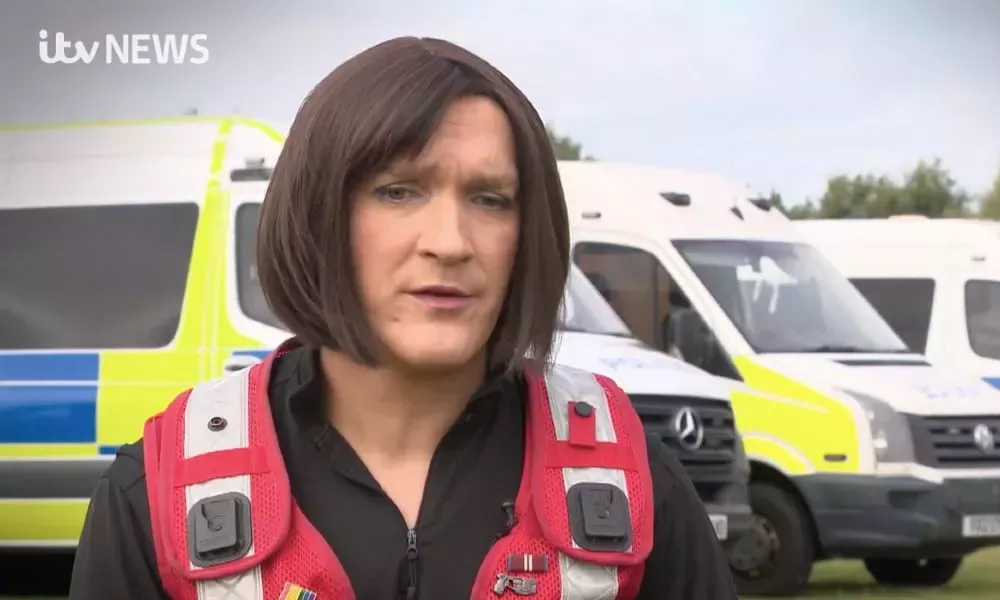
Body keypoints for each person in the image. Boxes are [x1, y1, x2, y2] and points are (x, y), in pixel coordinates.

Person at [68, 36, 738, 600]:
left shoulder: (632, 483)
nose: (450, 242)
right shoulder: (155, 492)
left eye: (490, 199)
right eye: (398, 191)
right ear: (317, 214)